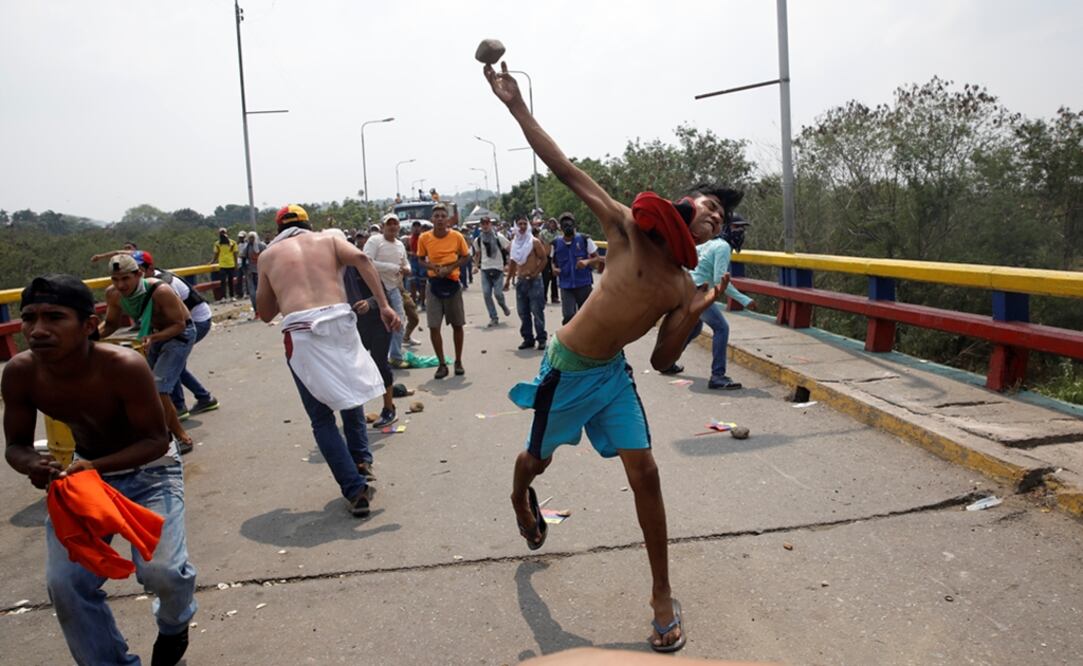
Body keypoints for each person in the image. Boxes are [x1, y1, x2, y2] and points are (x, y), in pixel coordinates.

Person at [486, 59, 740, 653]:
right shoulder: (626, 228)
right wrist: (516, 105)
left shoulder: (682, 285)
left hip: (612, 379)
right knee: (536, 461)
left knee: (645, 472)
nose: (715, 216)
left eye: (722, 219)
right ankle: (519, 496)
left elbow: (663, 360)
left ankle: (661, 598)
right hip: (566, 368)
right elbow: (564, 168)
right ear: (684, 205)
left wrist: (700, 308)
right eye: (709, 205)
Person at [3, 274, 197, 665]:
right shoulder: (22, 373)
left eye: (54, 317)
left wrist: (92, 465)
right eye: (30, 317)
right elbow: (16, 446)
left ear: (89, 325)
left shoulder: (123, 366)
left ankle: (174, 625)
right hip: (85, 478)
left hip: (151, 471)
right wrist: (33, 464)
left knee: (163, 572)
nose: (37, 330)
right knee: (66, 583)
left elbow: (155, 441)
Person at [257, 204, 399, 516]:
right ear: (308, 225)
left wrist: (284, 288)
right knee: (350, 397)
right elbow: (363, 259)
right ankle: (361, 461)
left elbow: (265, 312)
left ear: (279, 229)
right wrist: (385, 306)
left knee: (321, 418)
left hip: (303, 332)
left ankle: (354, 490)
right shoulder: (329, 240)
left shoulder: (268, 256)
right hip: (339, 322)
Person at [100, 254, 197, 454]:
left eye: (125, 278)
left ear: (139, 274)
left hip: (179, 335)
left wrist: (153, 338)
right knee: (146, 387)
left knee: (159, 387)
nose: (121, 285)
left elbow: (179, 325)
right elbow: (110, 324)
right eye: (115, 279)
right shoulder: (113, 295)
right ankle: (157, 433)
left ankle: (182, 437)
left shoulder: (160, 291)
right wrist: (87, 337)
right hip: (153, 334)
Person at [663, 215, 755, 389]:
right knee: (721, 328)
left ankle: (667, 361)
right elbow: (721, 280)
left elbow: (690, 256)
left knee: (695, 328)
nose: (740, 232)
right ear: (726, 228)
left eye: (742, 228)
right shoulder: (723, 247)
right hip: (698, 292)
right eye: (736, 227)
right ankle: (717, 376)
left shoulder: (710, 244)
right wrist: (745, 300)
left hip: (688, 289)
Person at [133, 251, 220, 419]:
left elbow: (180, 317)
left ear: (149, 269)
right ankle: (204, 398)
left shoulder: (163, 285)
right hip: (180, 323)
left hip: (196, 321)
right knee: (172, 363)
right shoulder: (145, 283)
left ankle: (179, 407)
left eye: (138, 271)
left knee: (170, 360)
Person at [416, 203, 470, 379]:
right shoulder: (424, 238)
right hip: (434, 284)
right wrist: (433, 267)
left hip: (452, 283)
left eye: (442, 216)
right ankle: (441, 364)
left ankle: (458, 361)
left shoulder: (457, 236)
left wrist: (451, 267)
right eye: (436, 216)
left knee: (457, 325)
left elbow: (465, 256)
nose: (439, 219)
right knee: (434, 326)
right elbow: (420, 259)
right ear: (432, 219)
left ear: (448, 219)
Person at [364, 214, 412, 369]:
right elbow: (366, 262)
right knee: (376, 325)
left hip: (394, 288)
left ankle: (395, 356)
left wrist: (407, 269)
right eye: (389, 224)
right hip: (374, 289)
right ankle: (374, 358)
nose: (392, 226)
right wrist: (393, 268)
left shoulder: (400, 244)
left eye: (395, 223)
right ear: (382, 226)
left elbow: (405, 262)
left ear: (399, 226)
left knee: (399, 321)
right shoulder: (375, 241)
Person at [505, 216, 548, 350]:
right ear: (516, 227)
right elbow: (512, 264)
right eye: (520, 224)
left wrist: (535, 273)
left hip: (534, 281)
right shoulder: (514, 244)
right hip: (521, 281)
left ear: (528, 226)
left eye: (524, 224)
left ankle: (541, 339)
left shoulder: (534, 242)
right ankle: (528, 339)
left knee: (537, 311)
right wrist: (508, 281)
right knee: (523, 312)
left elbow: (544, 259)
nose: (522, 227)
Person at [551, 212, 601, 325]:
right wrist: (554, 269)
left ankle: (587, 335)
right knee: (568, 315)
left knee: (587, 316)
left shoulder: (584, 239)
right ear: (560, 227)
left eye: (569, 223)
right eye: (565, 224)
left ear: (574, 225)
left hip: (583, 284)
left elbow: (597, 258)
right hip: (566, 285)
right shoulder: (556, 243)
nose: (567, 226)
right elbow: (552, 260)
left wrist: (587, 261)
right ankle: (570, 335)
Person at [472, 215, 512, 327]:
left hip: (498, 269)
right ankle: (493, 317)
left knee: (498, 294)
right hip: (485, 269)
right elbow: (478, 254)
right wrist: (475, 266)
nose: (485, 226)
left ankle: (503, 306)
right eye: (483, 224)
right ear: (480, 226)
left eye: (487, 223)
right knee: (486, 294)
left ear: (490, 224)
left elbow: (510, 249)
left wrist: (508, 264)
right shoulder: (478, 240)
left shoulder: (499, 237)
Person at [211, 228, 239, 301]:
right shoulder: (217, 244)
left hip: (231, 264)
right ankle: (223, 297)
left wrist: (236, 264)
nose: (222, 234)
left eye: (223, 232)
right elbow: (216, 254)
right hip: (222, 265)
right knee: (223, 281)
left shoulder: (233, 243)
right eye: (221, 233)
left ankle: (232, 296)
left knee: (230, 281)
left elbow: (235, 254)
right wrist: (212, 261)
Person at [538, 217, 561, 304]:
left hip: (555, 257)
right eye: (551, 223)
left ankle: (554, 297)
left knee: (554, 277)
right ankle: (543, 297)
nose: (552, 225)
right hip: (546, 256)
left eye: (554, 223)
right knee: (545, 278)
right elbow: (539, 242)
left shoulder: (559, 234)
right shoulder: (543, 233)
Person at [406, 220, 426, 310]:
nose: (416, 228)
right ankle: (414, 303)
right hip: (413, 262)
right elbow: (406, 250)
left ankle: (423, 303)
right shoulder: (409, 239)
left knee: (423, 283)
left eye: (418, 226)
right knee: (413, 283)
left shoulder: (424, 238)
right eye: (414, 226)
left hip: (422, 261)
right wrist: (411, 253)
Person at [235, 230, 249, 298]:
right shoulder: (237, 245)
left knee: (247, 279)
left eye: (242, 237)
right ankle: (239, 293)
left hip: (246, 263)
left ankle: (248, 292)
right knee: (239, 279)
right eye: (240, 237)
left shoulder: (248, 244)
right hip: (239, 263)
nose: (241, 238)